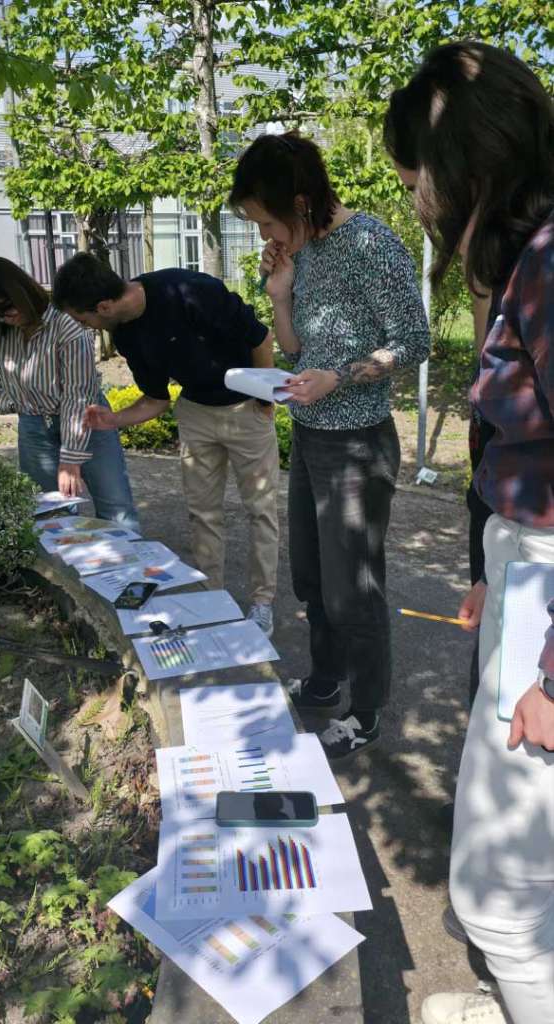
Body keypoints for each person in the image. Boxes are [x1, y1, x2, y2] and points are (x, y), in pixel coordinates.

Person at [384, 40, 554, 1024]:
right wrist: (489, 560)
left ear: (462, 168)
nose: (417, 205)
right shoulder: (524, 262)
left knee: (502, 882)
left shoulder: (543, 264)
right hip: (523, 571)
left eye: (416, 180)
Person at [229, 131, 430, 759]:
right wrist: (281, 293)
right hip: (312, 438)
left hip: (358, 445)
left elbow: (415, 340)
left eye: (267, 222)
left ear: (299, 199)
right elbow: (294, 353)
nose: (266, 237)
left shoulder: (368, 242)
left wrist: (339, 376)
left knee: (355, 590)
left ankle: (366, 711)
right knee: (312, 580)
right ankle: (324, 679)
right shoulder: (305, 252)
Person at [52, 254, 279, 637]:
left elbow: (261, 338)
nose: (86, 328)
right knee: (203, 514)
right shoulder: (125, 333)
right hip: (195, 413)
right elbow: (157, 399)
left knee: (261, 510)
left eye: (84, 319)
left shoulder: (190, 290)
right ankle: (211, 600)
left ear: (104, 306)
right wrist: (115, 419)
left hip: (246, 410)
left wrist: (264, 401)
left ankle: (262, 603)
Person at [0, 256, 139, 532]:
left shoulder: (66, 327)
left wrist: (71, 458)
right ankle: (63, 574)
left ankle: (132, 574)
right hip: (34, 425)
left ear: (21, 292)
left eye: (8, 309)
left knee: (115, 507)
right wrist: (18, 402)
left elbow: (76, 396)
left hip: (86, 420)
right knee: (48, 513)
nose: (7, 318)